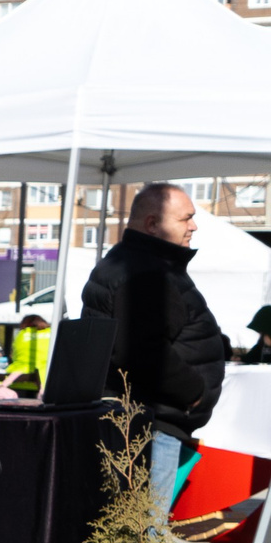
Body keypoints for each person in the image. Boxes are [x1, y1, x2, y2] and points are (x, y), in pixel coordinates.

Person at [80, 181, 230, 511]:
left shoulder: (134, 262)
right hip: (149, 426)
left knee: (137, 533)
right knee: (144, 536)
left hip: (141, 422)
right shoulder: (144, 271)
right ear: (153, 224)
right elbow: (142, 352)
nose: (193, 226)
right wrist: (194, 392)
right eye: (185, 218)